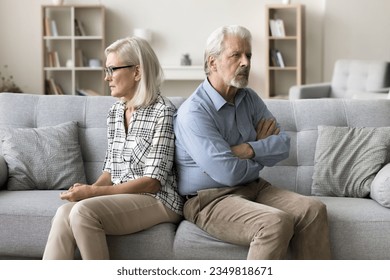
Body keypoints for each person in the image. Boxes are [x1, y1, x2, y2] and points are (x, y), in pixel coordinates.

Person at [174, 25, 331, 260]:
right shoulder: (194, 113)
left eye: (248, 55)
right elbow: (226, 172)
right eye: (236, 55)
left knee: (313, 209)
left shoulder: (249, 98)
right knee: (274, 222)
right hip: (209, 200)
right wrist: (260, 151)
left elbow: (284, 145)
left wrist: (247, 148)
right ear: (213, 62)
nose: (246, 62)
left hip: (254, 186)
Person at [43, 37, 183, 260]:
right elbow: (110, 170)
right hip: (125, 196)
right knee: (63, 213)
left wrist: (93, 194)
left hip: (160, 200)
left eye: (112, 69)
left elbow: (153, 181)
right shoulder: (115, 113)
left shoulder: (163, 111)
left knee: (83, 212)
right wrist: (90, 190)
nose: (106, 77)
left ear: (137, 72)